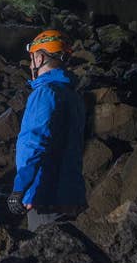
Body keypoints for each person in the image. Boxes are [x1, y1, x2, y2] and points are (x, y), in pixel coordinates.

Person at [7, 30, 87, 232]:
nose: (31, 65)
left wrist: (21, 187)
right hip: (71, 193)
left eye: (32, 59)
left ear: (40, 57)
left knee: (46, 259)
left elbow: (33, 142)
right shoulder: (73, 96)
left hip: (45, 194)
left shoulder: (45, 92)